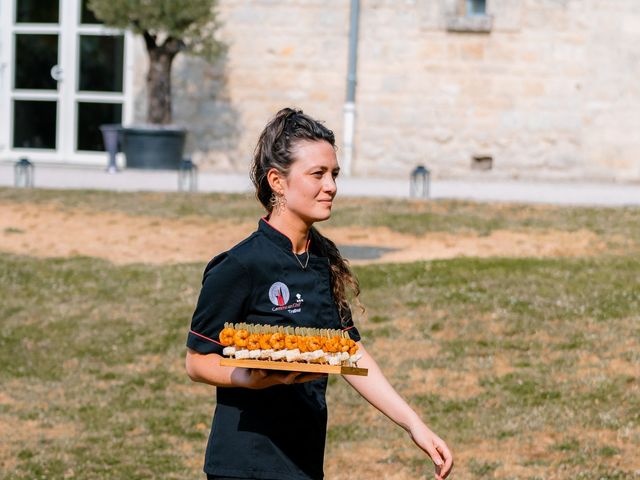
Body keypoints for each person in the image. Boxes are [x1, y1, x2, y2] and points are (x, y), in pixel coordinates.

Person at [185, 108, 453, 480]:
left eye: (334, 174)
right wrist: (249, 378)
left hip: (304, 462)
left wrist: (413, 424)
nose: (331, 186)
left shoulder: (322, 261)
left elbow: (347, 354)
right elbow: (197, 362)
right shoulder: (240, 265)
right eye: (317, 174)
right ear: (277, 181)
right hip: (245, 464)